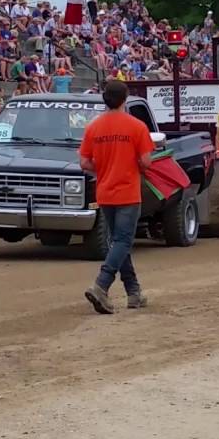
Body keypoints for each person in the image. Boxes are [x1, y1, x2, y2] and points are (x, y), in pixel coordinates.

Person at [80, 80, 154, 314]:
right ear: (125, 98)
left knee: (119, 242)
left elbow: (84, 162)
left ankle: (134, 292)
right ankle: (101, 285)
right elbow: (146, 162)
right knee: (123, 241)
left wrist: (102, 167)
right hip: (128, 192)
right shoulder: (136, 126)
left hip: (105, 191)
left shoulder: (93, 127)